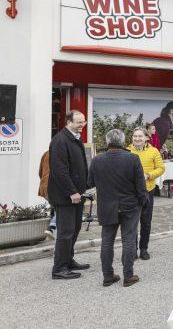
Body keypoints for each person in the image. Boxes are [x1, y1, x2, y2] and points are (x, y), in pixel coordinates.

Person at [89, 129, 146, 287]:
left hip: (107, 206)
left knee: (107, 241)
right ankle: (128, 276)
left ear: (107, 142)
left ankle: (108, 276)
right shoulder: (133, 159)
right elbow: (141, 186)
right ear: (122, 141)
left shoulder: (97, 160)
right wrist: (142, 202)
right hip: (130, 206)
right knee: (128, 240)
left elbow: (90, 183)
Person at [48, 110, 90, 280]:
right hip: (66, 196)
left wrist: (84, 189)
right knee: (65, 232)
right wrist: (72, 191)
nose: (82, 125)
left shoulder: (74, 137)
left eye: (83, 122)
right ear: (68, 121)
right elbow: (59, 171)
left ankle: (68, 260)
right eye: (78, 122)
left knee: (75, 229)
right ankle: (59, 268)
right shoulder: (60, 140)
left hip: (77, 194)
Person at [127, 127, 164, 261]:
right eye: (135, 136)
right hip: (131, 193)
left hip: (148, 190)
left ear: (147, 138)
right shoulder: (127, 151)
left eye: (140, 136)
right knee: (132, 223)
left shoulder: (153, 151)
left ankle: (144, 249)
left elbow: (161, 168)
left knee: (146, 222)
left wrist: (149, 175)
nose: (137, 139)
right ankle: (132, 249)